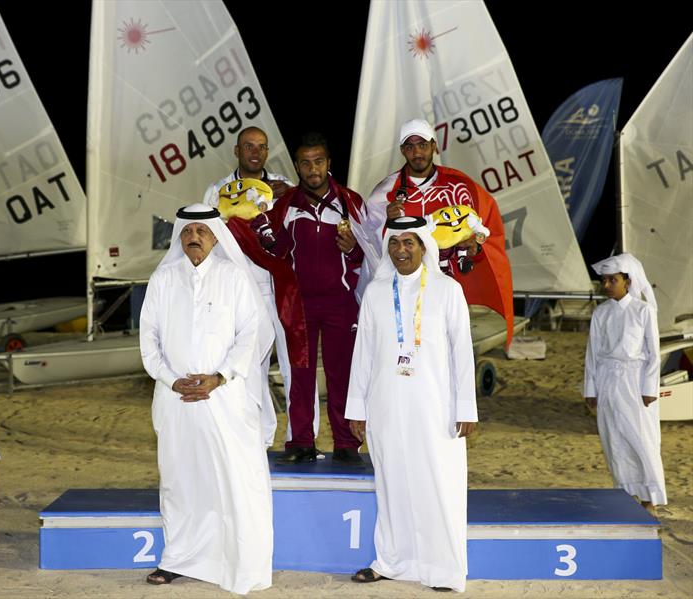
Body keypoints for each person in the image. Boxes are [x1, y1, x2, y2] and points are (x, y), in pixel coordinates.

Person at [139, 204, 274, 593]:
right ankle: (178, 558)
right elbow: (148, 337)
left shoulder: (234, 277)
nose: (194, 237)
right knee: (180, 480)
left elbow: (251, 334)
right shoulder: (163, 278)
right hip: (175, 398)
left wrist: (219, 377)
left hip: (225, 398)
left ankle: (237, 563)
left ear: (216, 236)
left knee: (231, 479)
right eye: (187, 231)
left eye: (202, 230)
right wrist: (170, 378)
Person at [345, 216, 477, 591]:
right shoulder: (375, 291)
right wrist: (357, 407)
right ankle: (390, 560)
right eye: (395, 243)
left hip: (436, 405)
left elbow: (462, 352)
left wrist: (466, 407)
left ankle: (443, 568)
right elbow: (364, 353)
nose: (401, 250)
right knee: (391, 481)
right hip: (386, 402)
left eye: (409, 243)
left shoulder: (447, 289)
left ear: (423, 247)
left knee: (437, 481)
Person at [264, 133, 373, 465]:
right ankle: (301, 441)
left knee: (343, 373)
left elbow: (370, 254)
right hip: (301, 304)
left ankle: (345, 442)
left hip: (342, 301)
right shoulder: (284, 206)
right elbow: (275, 252)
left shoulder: (350, 201)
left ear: (329, 163)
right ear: (297, 166)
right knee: (301, 373)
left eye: (319, 161)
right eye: (306, 163)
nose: (313, 169)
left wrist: (352, 249)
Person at [361, 118, 514, 347]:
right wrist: (387, 222)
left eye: (423, 145)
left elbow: (486, 228)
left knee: (449, 350)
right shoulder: (384, 193)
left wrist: (476, 245)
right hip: (403, 291)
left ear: (434, 146)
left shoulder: (460, 186)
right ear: (402, 150)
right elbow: (370, 247)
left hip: (447, 288)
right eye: (410, 147)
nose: (417, 152)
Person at [203, 126, 299, 446]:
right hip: (243, 289)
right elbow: (208, 241)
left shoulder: (284, 188)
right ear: (236, 151)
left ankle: (300, 438)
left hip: (284, 288)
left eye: (260, 147)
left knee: (293, 363)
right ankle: (260, 438)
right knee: (249, 363)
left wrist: (291, 197)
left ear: (267, 152)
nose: (255, 152)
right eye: (248, 146)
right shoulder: (217, 191)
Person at [584, 253, 666, 511]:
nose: (606, 285)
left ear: (627, 282)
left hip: (635, 380)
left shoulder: (643, 311)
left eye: (612, 280)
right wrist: (591, 388)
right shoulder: (601, 313)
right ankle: (626, 491)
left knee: (641, 438)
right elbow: (593, 353)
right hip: (608, 380)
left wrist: (649, 388)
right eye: (604, 281)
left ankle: (650, 496)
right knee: (614, 437)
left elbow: (654, 353)